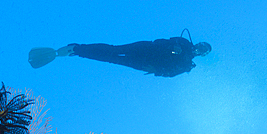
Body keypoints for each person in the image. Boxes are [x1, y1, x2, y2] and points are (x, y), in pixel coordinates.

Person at [28, 31, 211, 77]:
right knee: (115, 50)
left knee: (112, 59)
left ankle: (78, 52)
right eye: (201, 45)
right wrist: (174, 46)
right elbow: (163, 41)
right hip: (147, 48)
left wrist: (156, 69)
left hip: (146, 64)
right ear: (199, 42)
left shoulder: (188, 65)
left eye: (202, 50)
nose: (199, 49)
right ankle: (77, 47)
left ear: (202, 54)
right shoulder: (184, 41)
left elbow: (169, 74)